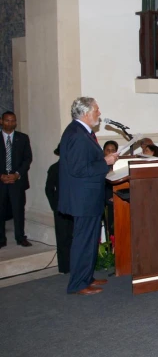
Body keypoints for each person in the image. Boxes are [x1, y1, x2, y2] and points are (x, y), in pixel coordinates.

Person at [59, 97, 119, 295]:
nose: (99, 114)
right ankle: (77, 284)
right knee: (83, 241)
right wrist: (106, 161)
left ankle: (86, 278)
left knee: (90, 240)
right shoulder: (77, 134)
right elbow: (78, 169)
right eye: (96, 110)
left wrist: (103, 161)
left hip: (89, 196)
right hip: (82, 198)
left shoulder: (82, 132)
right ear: (85, 113)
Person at [0, 111, 33, 248]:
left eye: (13, 121)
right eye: (7, 120)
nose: (10, 123)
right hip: (0, 181)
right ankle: (1, 239)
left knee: (18, 210)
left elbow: (27, 158)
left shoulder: (23, 138)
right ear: (1, 121)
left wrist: (17, 174)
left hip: (17, 181)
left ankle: (20, 237)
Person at [45, 144, 73, 273]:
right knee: (62, 237)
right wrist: (55, 206)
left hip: (74, 207)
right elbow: (49, 189)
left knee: (74, 236)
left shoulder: (74, 168)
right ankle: (64, 267)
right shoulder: (54, 168)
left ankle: (75, 265)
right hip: (60, 209)